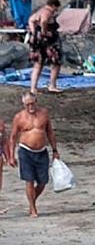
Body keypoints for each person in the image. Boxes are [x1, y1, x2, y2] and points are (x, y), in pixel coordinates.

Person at [6, 90, 60, 218]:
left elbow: (50, 132)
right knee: (29, 180)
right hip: (26, 151)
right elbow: (13, 137)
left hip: (41, 151)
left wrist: (55, 150)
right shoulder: (19, 117)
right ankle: (33, 208)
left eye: (32, 104)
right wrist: (11, 156)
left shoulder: (44, 114)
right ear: (23, 105)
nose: (30, 107)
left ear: (36, 102)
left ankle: (32, 201)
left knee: (43, 181)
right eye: (27, 105)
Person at [24, 0, 62, 94]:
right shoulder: (47, 12)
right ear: (53, 5)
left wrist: (34, 32)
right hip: (48, 41)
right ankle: (52, 85)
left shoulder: (39, 11)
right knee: (56, 62)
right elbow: (44, 21)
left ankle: (33, 88)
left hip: (37, 40)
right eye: (56, 8)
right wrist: (44, 31)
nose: (56, 10)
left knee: (38, 64)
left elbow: (31, 20)